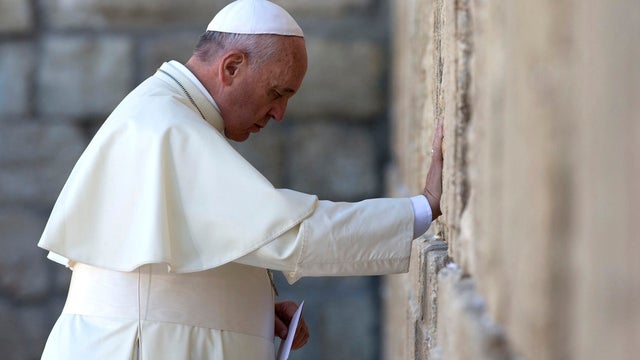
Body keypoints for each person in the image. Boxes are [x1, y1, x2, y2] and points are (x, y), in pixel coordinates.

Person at [38, 0, 444, 359]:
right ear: (232, 67)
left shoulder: (165, 113)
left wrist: (245, 307)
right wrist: (422, 208)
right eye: (277, 93)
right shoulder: (167, 128)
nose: (279, 113)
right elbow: (288, 234)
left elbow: (161, 275)